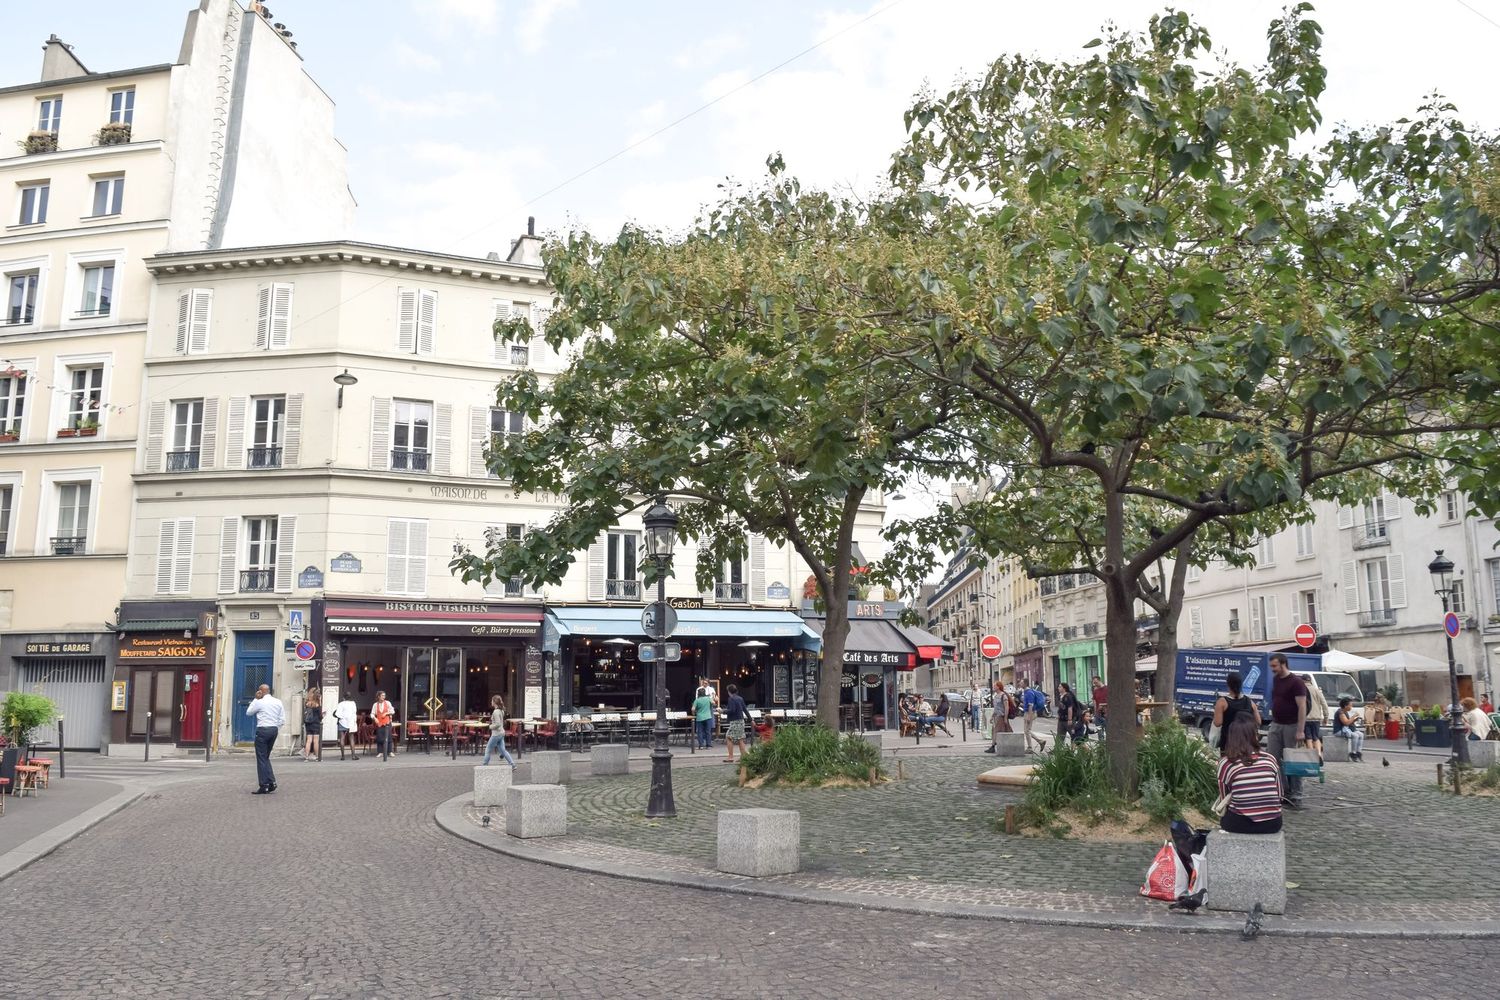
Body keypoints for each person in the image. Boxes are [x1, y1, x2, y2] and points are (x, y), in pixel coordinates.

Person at [1217, 715, 1283, 834]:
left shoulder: (1226, 763)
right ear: (1255, 736)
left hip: (1240, 823)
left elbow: (1224, 798)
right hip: (1273, 823)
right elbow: (1279, 794)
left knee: (1225, 818)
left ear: (1231, 737)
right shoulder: (1270, 759)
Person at [1265, 653, 1308, 809]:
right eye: (1271, 666)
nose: (1272, 669)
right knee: (1273, 758)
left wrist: (1300, 730)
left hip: (1291, 725)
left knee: (1292, 760)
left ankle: (1297, 794)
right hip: (1276, 723)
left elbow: (1302, 706)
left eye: (1274, 666)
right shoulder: (1276, 680)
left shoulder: (1296, 682)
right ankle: (1284, 791)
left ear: (1283, 664)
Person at [245, 683, 285, 795]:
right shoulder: (278, 702)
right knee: (266, 757)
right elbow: (282, 719)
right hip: (273, 730)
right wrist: (276, 728)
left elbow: (248, 712)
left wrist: (255, 699)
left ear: (261, 691)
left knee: (261, 758)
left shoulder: (259, 702)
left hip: (262, 730)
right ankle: (272, 782)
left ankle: (264, 785)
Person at [1212, 671, 1261, 756]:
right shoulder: (1249, 701)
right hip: (1247, 741)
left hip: (1228, 742)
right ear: (1241, 684)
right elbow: (1258, 722)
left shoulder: (1222, 702)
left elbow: (1217, 723)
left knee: (1229, 765)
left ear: (1228, 684)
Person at [481, 694, 517, 767]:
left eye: (492, 700)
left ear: (494, 702)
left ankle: (484, 765)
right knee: (503, 750)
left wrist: (490, 726)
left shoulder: (496, 712)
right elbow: (500, 723)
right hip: (501, 733)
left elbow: (497, 724)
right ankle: (512, 764)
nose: (491, 702)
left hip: (496, 734)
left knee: (488, 749)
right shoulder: (501, 711)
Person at [722, 684, 749, 763]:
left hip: (735, 721)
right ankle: (743, 757)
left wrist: (722, 711)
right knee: (740, 738)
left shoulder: (731, 699)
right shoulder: (740, 698)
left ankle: (730, 757)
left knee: (729, 737)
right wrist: (750, 719)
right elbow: (745, 709)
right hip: (741, 720)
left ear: (729, 691)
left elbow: (732, 710)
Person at [1304, 676, 1329, 757]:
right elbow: (1324, 704)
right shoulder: (1317, 690)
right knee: (1316, 737)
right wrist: (1326, 717)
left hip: (1306, 718)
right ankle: (1318, 754)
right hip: (1316, 718)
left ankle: (1312, 756)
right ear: (1310, 681)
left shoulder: (1302, 690)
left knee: (1308, 738)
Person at [1020, 683, 1047, 753]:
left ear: (1025, 683)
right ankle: (1040, 742)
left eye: (1021, 682)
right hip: (1029, 713)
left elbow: (1030, 705)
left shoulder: (1029, 692)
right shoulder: (1026, 692)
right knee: (1027, 731)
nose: (1020, 683)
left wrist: (1029, 715)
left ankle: (1030, 748)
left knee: (1027, 731)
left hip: (1030, 713)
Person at [332, 694, 359, 760]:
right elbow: (354, 712)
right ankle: (353, 755)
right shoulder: (353, 703)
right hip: (351, 722)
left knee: (342, 738)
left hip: (342, 722)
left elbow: (337, 714)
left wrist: (343, 717)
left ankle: (343, 756)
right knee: (351, 738)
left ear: (343, 698)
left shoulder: (341, 704)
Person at [371, 690, 396, 762]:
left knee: (389, 737)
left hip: (387, 722)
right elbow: (372, 714)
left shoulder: (387, 703)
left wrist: (386, 713)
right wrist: (374, 718)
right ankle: (380, 752)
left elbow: (392, 711)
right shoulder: (375, 705)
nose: (383, 697)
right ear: (378, 696)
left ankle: (390, 751)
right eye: (382, 695)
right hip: (379, 723)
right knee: (379, 737)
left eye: (384, 696)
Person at [301, 689, 323, 761]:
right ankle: (317, 757)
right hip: (316, 724)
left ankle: (306, 757)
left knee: (309, 740)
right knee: (316, 741)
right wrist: (323, 715)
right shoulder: (317, 704)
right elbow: (320, 716)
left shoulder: (307, 703)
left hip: (308, 724)